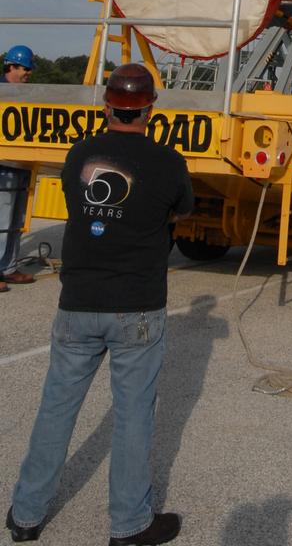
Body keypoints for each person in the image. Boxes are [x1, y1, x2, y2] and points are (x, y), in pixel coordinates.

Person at [7, 63, 193, 546]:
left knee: (56, 408)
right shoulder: (169, 162)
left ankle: (25, 516)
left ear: (107, 105)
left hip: (78, 302)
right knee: (133, 415)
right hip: (137, 306)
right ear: (150, 109)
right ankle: (129, 525)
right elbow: (182, 208)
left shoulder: (80, 153)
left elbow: (78, 200)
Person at [0, 45, 37, 293]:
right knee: (2, 218)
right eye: (25, 68)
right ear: (11, 66)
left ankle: (9, 267)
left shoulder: (26, 94)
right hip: (3, 164)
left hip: (22, 164)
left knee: (16, 220)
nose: (28, 73)